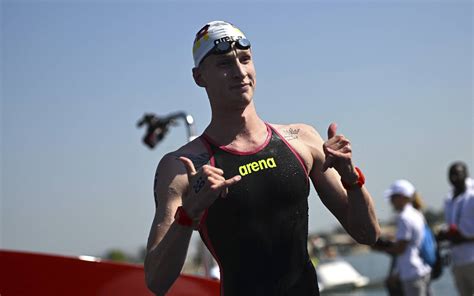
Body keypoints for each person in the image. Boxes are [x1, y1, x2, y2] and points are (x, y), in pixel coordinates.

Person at [144, 20, 380, 296]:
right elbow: (156, 282)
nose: (239, 72)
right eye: (224, 64)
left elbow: (368, 234)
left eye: (245, 59)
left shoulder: (301, 139)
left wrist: (351, 178)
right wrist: (189, 214)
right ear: (199, 77)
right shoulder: (183, 167)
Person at [373, 179, 432, 296]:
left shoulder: (404, 217)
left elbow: (401, 248)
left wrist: (381, 248)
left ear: (401, 197)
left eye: (393, 197)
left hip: (412, 272)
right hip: (423, 269)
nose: (391, 202)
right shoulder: (417, 214)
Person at [436, 162, 474, 296]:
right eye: (451, 174)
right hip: (457, 259)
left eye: (457, 173)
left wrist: (465, 238)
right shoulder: (449, 199)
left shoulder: (472, 196)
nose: (454, 177)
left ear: (466, 174)